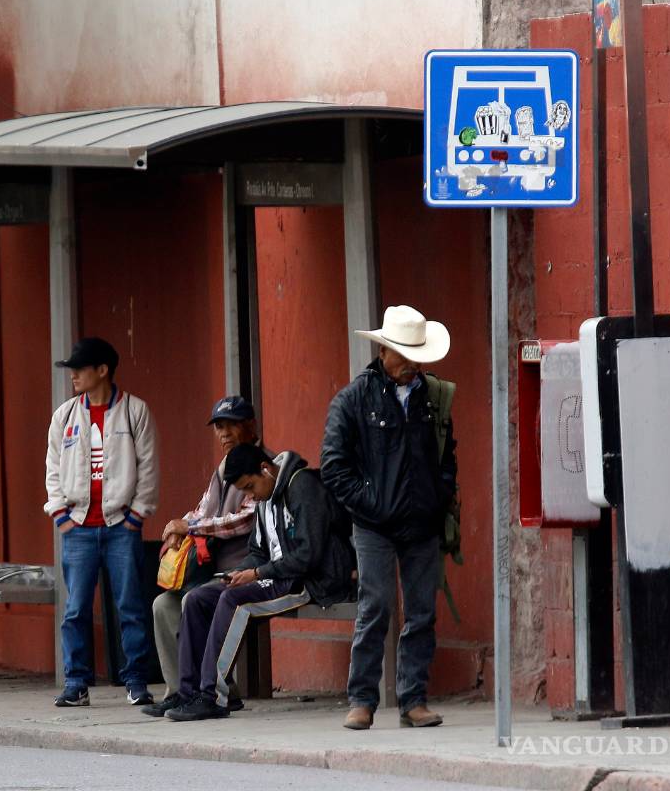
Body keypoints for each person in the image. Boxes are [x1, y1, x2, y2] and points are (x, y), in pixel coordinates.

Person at [320, 304, 457, 730]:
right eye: (403, 354)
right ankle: (362, 699)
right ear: (383, 353)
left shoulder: (433, 397)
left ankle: (414, 699)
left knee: (421, 613)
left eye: (417, 355)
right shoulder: (352, 400)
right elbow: (332, 467)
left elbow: (446, 455)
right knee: (375, 607)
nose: (411, 364)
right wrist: (371, 503)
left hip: (422, 524)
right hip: (374, 525)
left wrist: (439, 497)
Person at [165, 444, 354, 722]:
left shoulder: (303, 488)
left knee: (234, 600)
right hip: (274, 575)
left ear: (266, 470)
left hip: (307, 581)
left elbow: (308, 555)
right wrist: (240, 573)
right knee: (198, 599)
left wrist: (257, 574)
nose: (250, 495)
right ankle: (188, 693)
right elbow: (257, 551)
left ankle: (212, 697)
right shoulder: (265, 497)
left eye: (250, 486)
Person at [44, 337, 159, 707]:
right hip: (77, 526)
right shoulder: (64, 415)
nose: (73, 375)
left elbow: (149, 467)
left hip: (120, 527)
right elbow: (52, 468)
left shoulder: (134, 411)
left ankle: (136, 680)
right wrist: (60, 514)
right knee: (75, 608)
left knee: (130, 605)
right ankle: (76, 682)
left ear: (102, 371)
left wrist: (136, 515)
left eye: (80, 369)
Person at [142, 396, 266, 718]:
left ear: (249, 426)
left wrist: (193, 525)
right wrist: (178, 527)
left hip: (244, 568)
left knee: (193, 601)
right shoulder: (223, 467)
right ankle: (181, 691)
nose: (223, 433)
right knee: (162, 605)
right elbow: (202, 509)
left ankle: (210, 691)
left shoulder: (263, 462)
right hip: (211, 569)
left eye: (230, 425)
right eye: (219, 427)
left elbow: (246, 518)